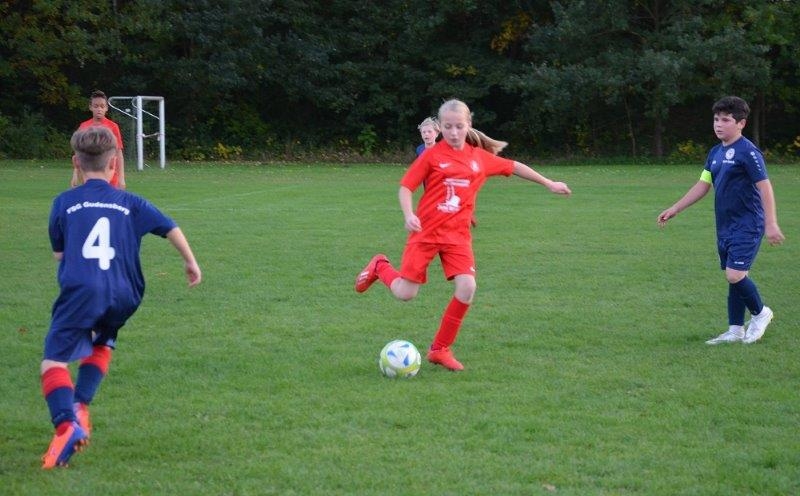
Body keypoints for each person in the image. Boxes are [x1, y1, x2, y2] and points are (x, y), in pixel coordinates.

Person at [355, 98, 571, 371]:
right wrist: (409, 214)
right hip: (426, 233)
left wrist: (548, 183)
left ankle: (440, 349)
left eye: (459, 126)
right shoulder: (431, 156)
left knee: (468, 287)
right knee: (405, 293)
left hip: (457, 237)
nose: (454, 132)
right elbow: (406, 187)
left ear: (468, 124)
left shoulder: (479, 158)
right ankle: (380, 265)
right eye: (447, 127)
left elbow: (514, 166)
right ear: (440, 127)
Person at [41, 127, 202, 469]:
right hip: (126, 292)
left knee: (53, 362)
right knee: (101, 341)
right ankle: (81, 405)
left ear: (76, 162)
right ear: (114, 163)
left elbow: (59, 255)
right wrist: (190, 262)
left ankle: (66, 426)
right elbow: (169, 227)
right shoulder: (131, 203)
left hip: (83, 290)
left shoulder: (64, 203)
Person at [657, 95, 784, 345]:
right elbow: (703, 185)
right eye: (716, 119)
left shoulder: (748, 152)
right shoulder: (715, 152)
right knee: (733, 275)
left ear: (741, 123)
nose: (718, 124)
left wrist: (771, 223)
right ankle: (735, 330)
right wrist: (675, 208)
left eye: (726, 120)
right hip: (725, 225)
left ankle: (761, 313)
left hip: (748, 224)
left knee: (735, 275)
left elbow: (765, 187)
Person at [71, 90, 126, 189]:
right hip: (88, 176)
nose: (99, 109)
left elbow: (118, 153)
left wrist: (121, 178)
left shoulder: (113, 127)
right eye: (96, 106)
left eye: (102, 106)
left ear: (106, 108)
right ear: (90, 107)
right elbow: (78, 154)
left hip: (110, 178)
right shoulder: (84, 126)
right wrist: (75, 173)